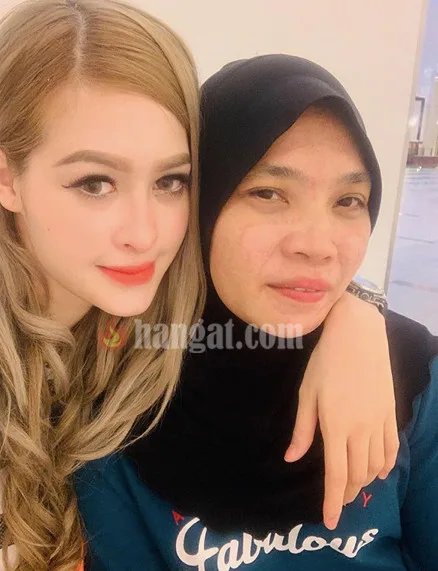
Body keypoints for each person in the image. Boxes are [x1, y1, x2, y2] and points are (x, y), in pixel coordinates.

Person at [0, 0, 396, 568]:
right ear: (8, 178)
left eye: (171, 181)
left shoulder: (158, 318)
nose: (144, 234)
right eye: (94, 182)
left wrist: (361, 314)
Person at [75, 55, 438, 571]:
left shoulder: (416, 378)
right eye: (268, 193)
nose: (318, 246)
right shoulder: (119, 396)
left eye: (348, 200)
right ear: (201, 205)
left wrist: (365, 311)